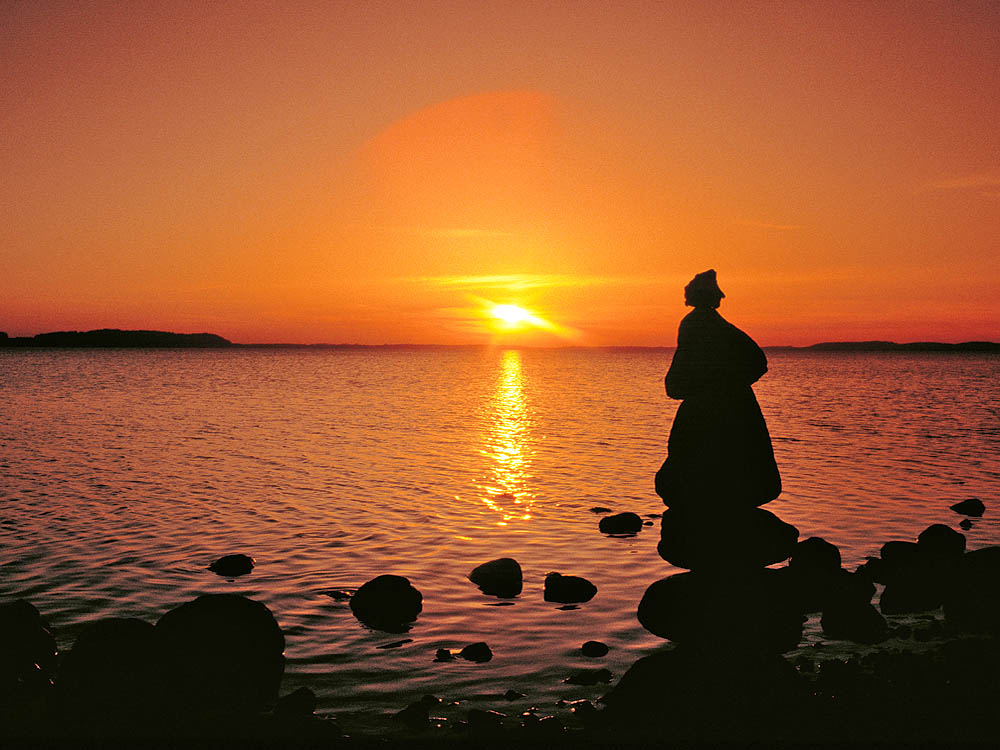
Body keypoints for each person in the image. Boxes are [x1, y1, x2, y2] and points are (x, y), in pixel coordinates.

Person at [655, 270, 781, 509]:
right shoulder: (714, 324)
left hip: (713, 405)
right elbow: (756, 360)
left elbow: (756, 361)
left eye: (689, 289)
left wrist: (721, 384)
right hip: (726, 403)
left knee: (696, 459)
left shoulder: (696, 323)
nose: (685, 293)